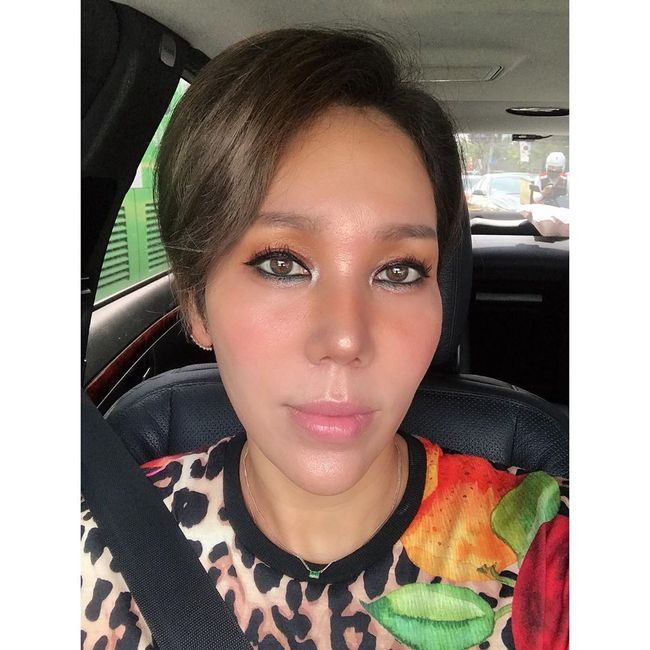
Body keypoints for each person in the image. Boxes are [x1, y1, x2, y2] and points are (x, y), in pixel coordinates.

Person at [81, 28, 568, 650]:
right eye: (282, 263)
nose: (344, 338)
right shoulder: (91, 546)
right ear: (196, 302)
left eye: (399, 272)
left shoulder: (551, 552)